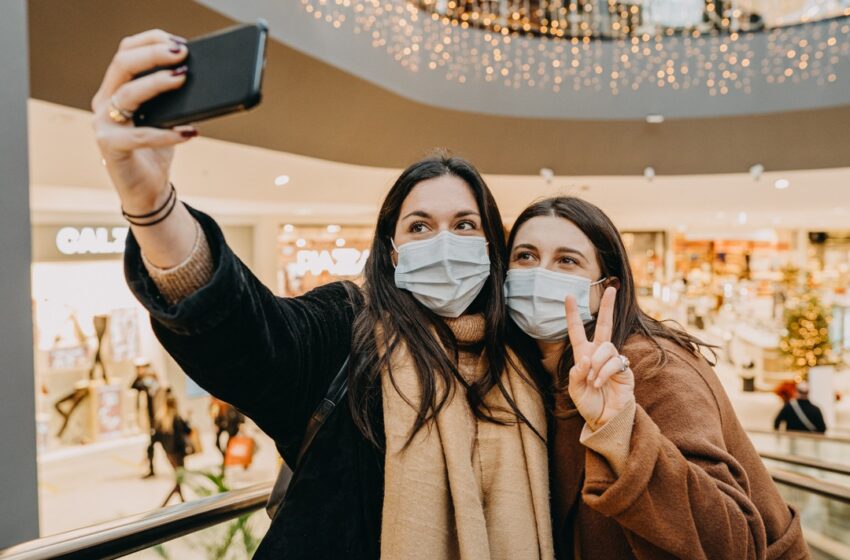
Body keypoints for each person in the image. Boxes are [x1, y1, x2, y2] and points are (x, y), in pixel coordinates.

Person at [91, 29, 553, 559]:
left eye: (465, 225)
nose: (444, 242)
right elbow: (248, 335)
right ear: (393, 251)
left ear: (492, 247)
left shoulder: (522, 359)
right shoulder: (347, 330)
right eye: (420, 227)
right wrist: (151, 205)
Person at [504, 197, 808, 559]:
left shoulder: (650, 367)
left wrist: (620, 430)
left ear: (606, 288)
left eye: (567, 261)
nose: (541, 274)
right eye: (525, 256)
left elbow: (728, 543)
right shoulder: (529, 373)